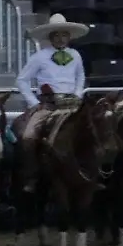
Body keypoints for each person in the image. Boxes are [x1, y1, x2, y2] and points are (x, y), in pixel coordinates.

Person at [15, 14, 88, 193]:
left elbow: (80, 77)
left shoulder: (75, 55)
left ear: (69, 37)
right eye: (56, 35)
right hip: (48, 104)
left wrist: (78, 94)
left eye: (64, 35)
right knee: (28, 137)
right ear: (50, 37)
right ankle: (31, 176)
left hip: (72, 103)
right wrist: (33, 102)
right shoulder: (40, 56)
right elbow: (22, 80)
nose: (61, 39)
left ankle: (91, 174)